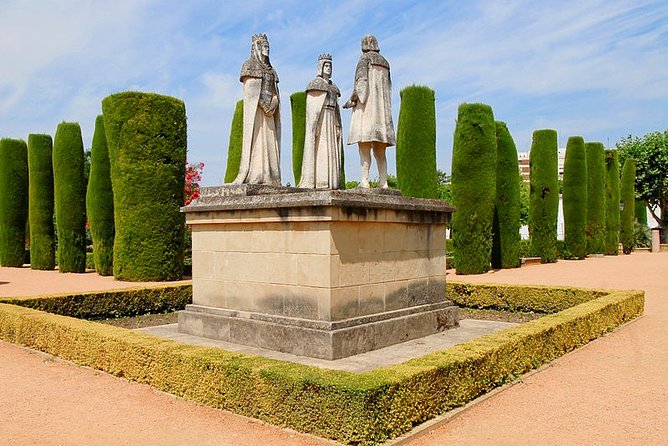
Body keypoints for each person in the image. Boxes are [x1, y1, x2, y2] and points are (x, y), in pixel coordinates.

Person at [343, 34, 395, 189]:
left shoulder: (364, 60)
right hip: (382, 114)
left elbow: (361, 86)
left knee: (364, 147)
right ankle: (383, 182)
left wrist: (351, 100)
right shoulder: (385, 63)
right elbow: (389, 88)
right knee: (380, 151)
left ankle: (364, 181)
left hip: (367, 112)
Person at [232, 33, 281, 185]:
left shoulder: (272, 70)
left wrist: (273, 103)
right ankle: (257, 173)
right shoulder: (250, 65)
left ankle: (270, 176)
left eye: (268, 46)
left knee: (270, 141)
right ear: (257, 48)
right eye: (264, 46)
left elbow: (275, 91)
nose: (267, 49)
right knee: (258, 139)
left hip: (270, 112)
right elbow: (251, 93)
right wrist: (263, 105)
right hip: (258, 111)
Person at [299, 54, 343, 189]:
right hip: (322, 120)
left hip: (330, 119)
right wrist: (315, 126)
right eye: (326, 65)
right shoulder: (315, 85)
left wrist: (337, 124)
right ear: (321, 67)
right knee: (321, 149)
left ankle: (332, 182)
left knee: (332, 151)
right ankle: (321, 181)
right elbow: (313, 111)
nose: (329, 68)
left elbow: (336, 110)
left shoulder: (334, 87)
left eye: (330, 66)